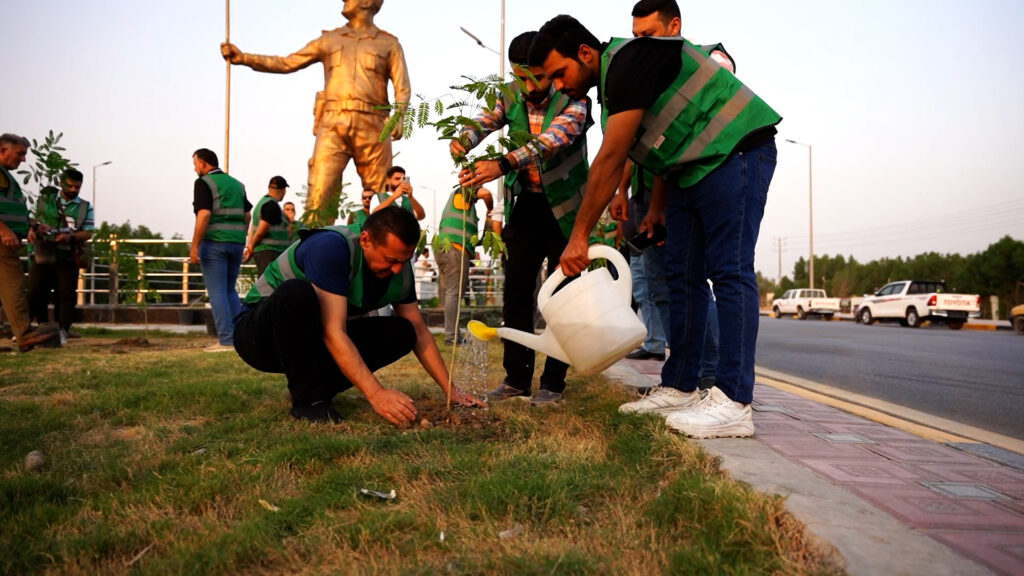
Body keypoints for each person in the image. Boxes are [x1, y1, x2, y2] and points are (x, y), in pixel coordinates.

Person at [532, 14, 780, 437]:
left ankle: (734, 401)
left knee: (729, 271)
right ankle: (681, 385)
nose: (556, 86)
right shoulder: (614, 79)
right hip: (690, 170)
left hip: (735, 151)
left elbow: (611, 158)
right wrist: (657, 207)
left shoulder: (626, 62)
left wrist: (578, 238)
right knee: (681, 277)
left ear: (586, 54)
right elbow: (667, 134)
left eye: (559, 73)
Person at [233, 206, 484, 424]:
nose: (397, 269)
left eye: (403, 260)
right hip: (259, 337)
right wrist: (376, 394)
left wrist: (450, 390)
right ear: (365, 240)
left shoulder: (400, 268)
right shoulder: (330, 247)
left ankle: (310, 386)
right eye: (390, 260)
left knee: (403, 332)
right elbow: (333, 332)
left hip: (311, 341)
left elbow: (419, 331)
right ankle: (308, 400)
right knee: (297, 293)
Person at [453, 31, 592, 407]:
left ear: (549, 70)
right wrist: (463, 139)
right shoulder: (510, 94)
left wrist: (501, 163)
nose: (529, 86)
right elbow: (486, 119)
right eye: (521, 78)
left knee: (563, 295)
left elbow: (552, 141)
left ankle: (553, 383)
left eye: (537, 77)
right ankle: (516, 378)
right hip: (525, 206)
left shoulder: (575, 99)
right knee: (516, 291)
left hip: (566, 210)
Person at [615, 0, 736, 364]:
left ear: (674, 27)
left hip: (693, 185)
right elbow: (631, 144)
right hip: (652, 193)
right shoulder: (644, 75)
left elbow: (691, 134)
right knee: (662, 285)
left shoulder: (711, 59)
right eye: (635, 37)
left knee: (698, 282)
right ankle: (683, 372)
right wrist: (626, 193)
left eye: (647, 35)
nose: (640, 44)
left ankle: (712, 375)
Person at [220, 0, 411, 227]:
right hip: (333, 123)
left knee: (381, 196)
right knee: (320, 193)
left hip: (373, 124)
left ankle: (382, 251)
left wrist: (398, 116)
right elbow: (287, 62)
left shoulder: (389, 44)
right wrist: (244, 58)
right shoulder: (330, 40)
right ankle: (316, 250)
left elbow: (403, 89)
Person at [0, 133, 59, 352]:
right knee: (13, 285)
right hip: (3, 242)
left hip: (8, 239)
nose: (23, 159)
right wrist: (4, 231)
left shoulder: (6, 175)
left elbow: (8, 209)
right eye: (20, 154)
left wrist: (32, 224)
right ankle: (24, 334)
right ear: (3, 150)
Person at [190, 148, 251, 352]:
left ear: (204, 163)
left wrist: (194, 245)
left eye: (195, 163)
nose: (195, 168)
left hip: (214, 243)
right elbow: (247, 215)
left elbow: (204, 214)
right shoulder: (237, 184)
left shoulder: (203, 182)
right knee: (229, 290)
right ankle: (241, 338)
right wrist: (241, 237)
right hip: (236, 243)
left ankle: (226, 340)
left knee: (216, 292)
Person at [28, 169, 95, 340]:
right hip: (42, 252)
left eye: (77, 187)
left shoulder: (85, 207)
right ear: (61, 183)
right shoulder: (44, 201)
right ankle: (40, 327)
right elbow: (31, 218)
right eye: (70, 186)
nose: (74, 190)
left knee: (65, 294)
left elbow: (88, 233)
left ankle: (63, 329)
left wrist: (70, 237)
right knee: (37, 291)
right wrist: (33, 228)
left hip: (68, 255)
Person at [434, 186, 496, 345]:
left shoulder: (463, 202)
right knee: (454, 294)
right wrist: (490, 209)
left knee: (452, 293)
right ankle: (452, 338)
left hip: (446, 248)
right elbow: (486, 194)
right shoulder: (464, 190)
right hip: (455, 249)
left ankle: (454, 335)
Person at [244, 176, 292, 276]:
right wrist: (251, 247)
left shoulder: (262, 203)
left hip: (266, 252)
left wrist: (250, 245)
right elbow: (262, 229)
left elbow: (253, 227)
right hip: (269, 252)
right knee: (267, 283)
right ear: (283, 190)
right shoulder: (271, 205)